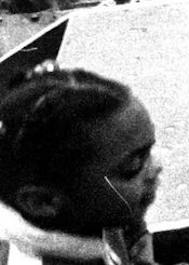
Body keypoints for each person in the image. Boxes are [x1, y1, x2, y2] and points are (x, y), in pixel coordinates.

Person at [0, 67, 163, 265]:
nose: (156, 167)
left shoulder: (94, 214)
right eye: (133, 167)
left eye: (149, 152)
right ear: (44, 201)